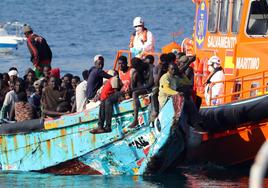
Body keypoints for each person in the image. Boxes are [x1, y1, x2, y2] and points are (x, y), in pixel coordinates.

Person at [129, 57, 154, 128]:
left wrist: (135, 89)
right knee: (134, 75)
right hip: (145, 87)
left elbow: (150, 84)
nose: (136, 69)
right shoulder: (139, 69)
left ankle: (135, 120)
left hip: (151, 88)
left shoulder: (150, 68)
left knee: (135, 93)